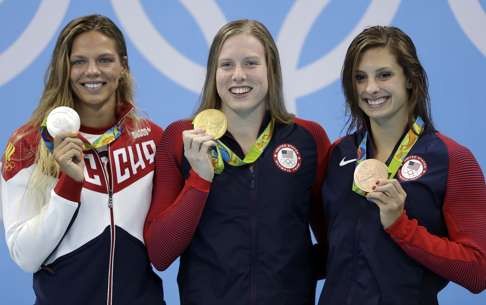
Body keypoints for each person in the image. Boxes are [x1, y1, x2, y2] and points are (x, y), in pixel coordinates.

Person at [144, 19, 330, 305]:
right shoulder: (182, 138)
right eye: (227, 65)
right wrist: (200, 179)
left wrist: (288, 273)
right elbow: (160, 252)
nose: (238, 75)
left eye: (251, 63)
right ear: (213, 73)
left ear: (271, 69)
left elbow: (337, 244)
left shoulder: (308, 138)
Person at [1, 15, 165, 305]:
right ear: (65, 69)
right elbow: (25, 256)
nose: (92, 71)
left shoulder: (151, 140)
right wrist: (68, 186)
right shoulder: (29, 145)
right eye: (79, 62)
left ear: (123, 66)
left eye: (104, 60)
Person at [319, 25, 486, 305]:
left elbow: (478, 272)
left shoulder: (452, 159)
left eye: (384, 75)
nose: (371, 88)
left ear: (410, 78)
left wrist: (401, 226)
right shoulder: (339, 154)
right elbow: (333, 251)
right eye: (360, 78)